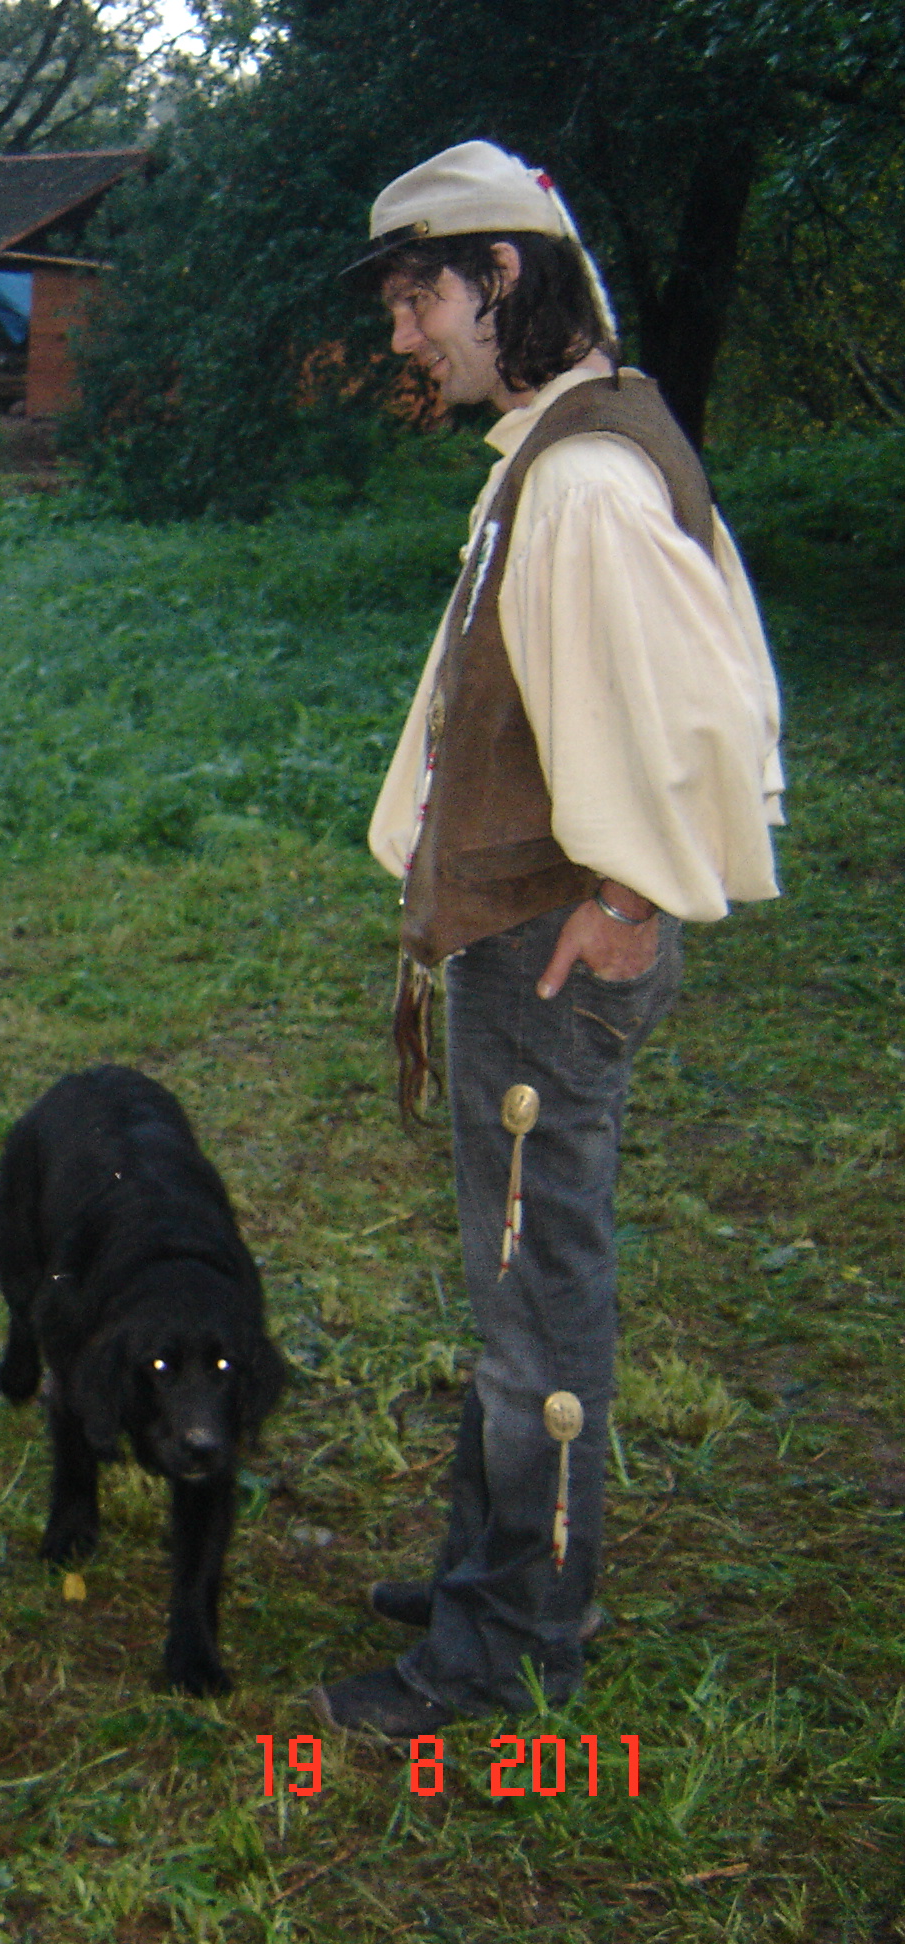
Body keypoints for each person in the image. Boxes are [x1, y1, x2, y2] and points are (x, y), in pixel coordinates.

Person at [310, 142, 784, 1736]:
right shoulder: (572, 448)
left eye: (418, 298)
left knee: (538, 1296)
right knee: (518, 1281)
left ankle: (509, 1648)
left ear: (501, 276)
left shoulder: (584, 480)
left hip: (550, 951)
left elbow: (708, 707)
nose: (404, 335)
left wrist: (631, 898)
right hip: (528, 937)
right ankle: (486, 1576)